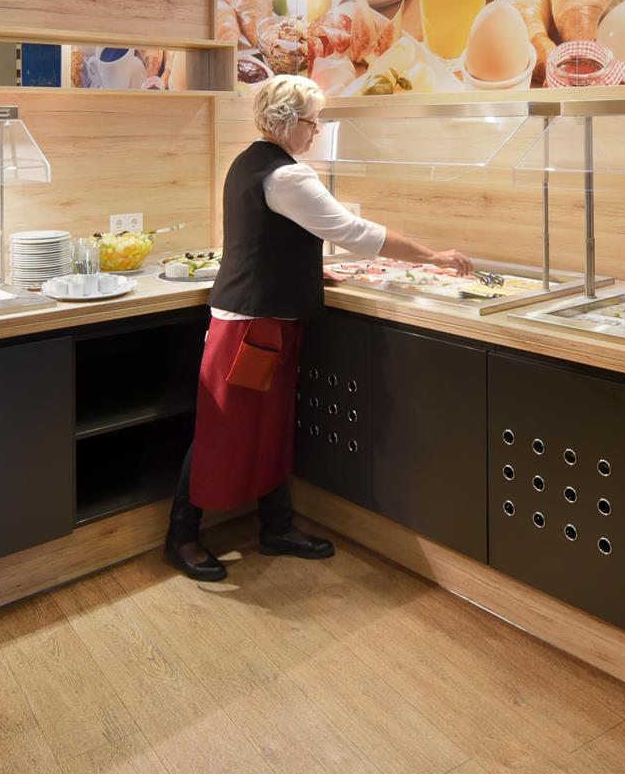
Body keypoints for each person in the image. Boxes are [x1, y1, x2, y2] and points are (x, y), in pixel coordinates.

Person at [165, 74, 473, 581]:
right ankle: (181, 536)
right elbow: (352, 232)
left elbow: (270, 239)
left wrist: (308, 269)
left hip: (259, 320)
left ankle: (276, 526)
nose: (317, 131)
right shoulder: (288, 176)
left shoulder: (251, 161)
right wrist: (433, 256)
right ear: (289, 122)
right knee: (224, 431)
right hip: (251, 327)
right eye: (314, 121)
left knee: (269, 429)